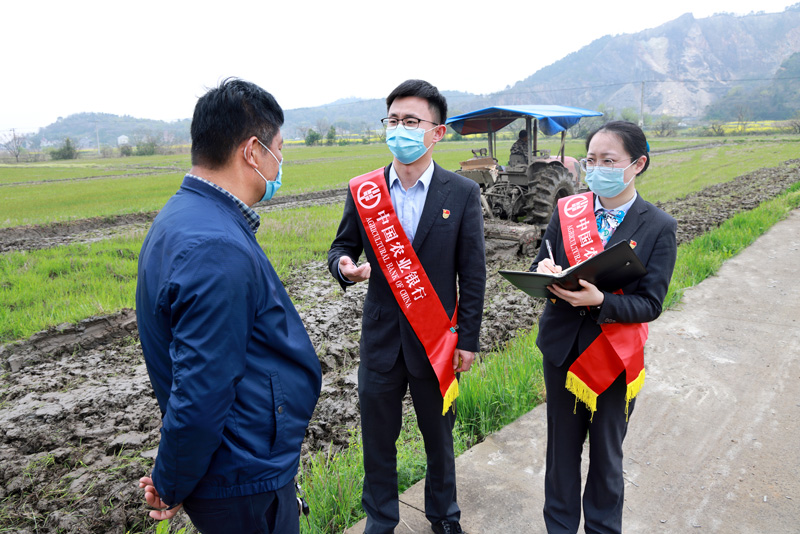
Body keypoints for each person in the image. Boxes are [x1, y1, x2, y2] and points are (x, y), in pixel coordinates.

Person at [135, 78, 322, 534]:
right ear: (253, 151)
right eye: (280, 150)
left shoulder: (186, 215)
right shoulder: (214, 245)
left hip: (239, 465)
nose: (281, 163)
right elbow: (202, 388)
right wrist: (172, 481)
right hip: (243, 479)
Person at [328, 79, 486, 534]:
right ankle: (380, 520)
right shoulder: (366, 191)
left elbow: (472, 273)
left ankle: (444, 516)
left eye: (411, 121)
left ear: (437, 132)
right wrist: (344, 267)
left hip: (436, 341)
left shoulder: (461, 192)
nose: (400, 129)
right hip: (381, 341)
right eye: (393, 120)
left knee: (439, 440)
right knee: (378, 442)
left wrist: (467, 340)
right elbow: (341, 247)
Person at [530, 121, 677, 534]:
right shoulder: (568, 211)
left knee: (607, 456)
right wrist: (544, 272)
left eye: (609, 161)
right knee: (560, 454)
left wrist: (602, 302)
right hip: (561, 350)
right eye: (591, 160)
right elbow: (539, 265)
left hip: (614, 358)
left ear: (638, 164)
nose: (597, 169)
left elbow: (650, 303)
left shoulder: (658, 226)